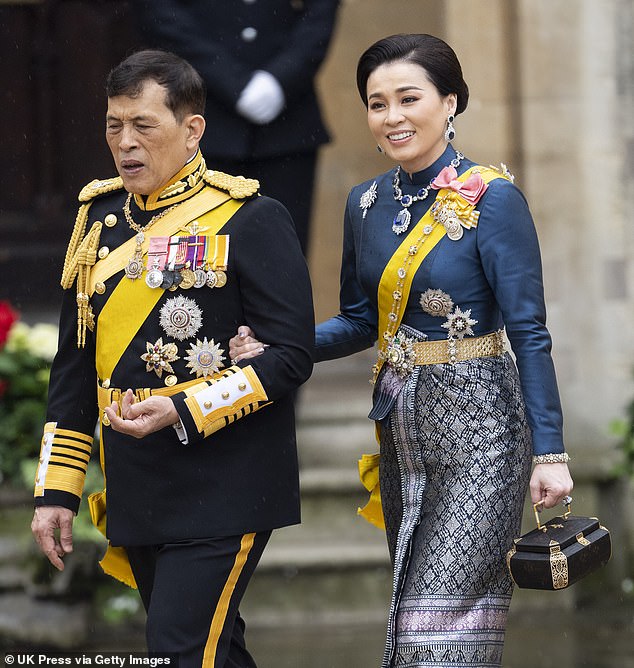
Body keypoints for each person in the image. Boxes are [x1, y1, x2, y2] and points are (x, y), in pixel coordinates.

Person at [229, 33, 574, 667]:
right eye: (377, 103)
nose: (392, 118)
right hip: (402, 435)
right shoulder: (365, 203)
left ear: (449, 102)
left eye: (408, 98)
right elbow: (362, 322)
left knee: (439, 631)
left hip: (484, 435)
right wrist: (282, 345)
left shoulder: (493, 200)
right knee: (409, 619)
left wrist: (549, 452)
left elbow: (529, 331)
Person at [30, 49, 314, 667]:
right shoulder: (97, 221)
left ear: (192, 131)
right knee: (212, 651)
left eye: (143, 126)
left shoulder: (251, 217)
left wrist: (183, 406)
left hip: (225, 478)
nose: (125, 143)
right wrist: (58, 488)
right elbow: (74, 368)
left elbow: (291, 355)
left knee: (180, 651)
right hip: (138, 479)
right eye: (114, 125)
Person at [131, 0, 341, 256]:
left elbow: (320, 13)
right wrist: (230, 80)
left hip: (287, 128)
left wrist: (281, 79)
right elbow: (159, 12)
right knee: (193, 262)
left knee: (282, 258)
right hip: (200, 120)